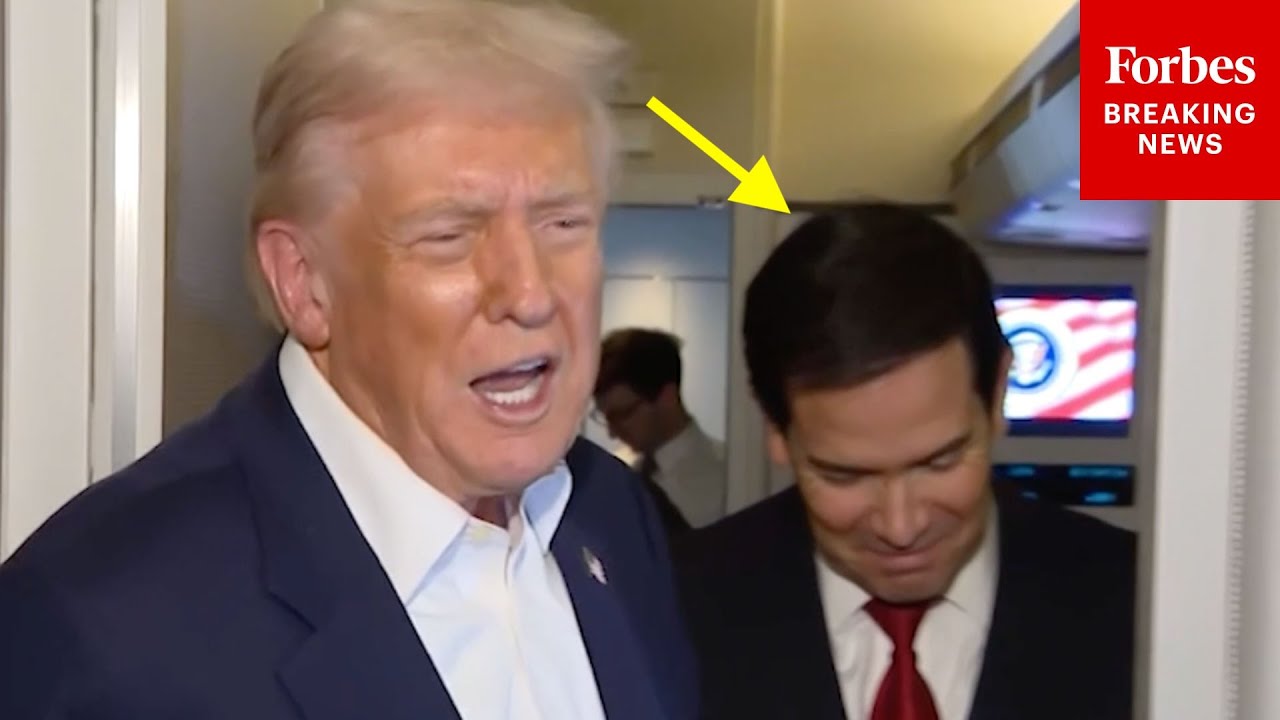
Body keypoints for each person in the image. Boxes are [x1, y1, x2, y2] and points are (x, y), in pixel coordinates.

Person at [0, 1, 697, 718]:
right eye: (450, 236)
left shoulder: (613, 518)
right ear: (303, 282)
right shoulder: (101, 626)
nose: (529, 293)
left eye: (563, 223)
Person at [673, 205, 1136, 720]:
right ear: (775, 431)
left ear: (998, 393)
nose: (901, 528)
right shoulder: (675, 612)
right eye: (845, 476)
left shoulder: (1139, 604)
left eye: (941, 462)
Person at [593, 328, 727, 533]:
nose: (611, 433)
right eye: (606, 418)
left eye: (623, 414)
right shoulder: (620, 476)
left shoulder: (725, 479)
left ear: (667, 397)